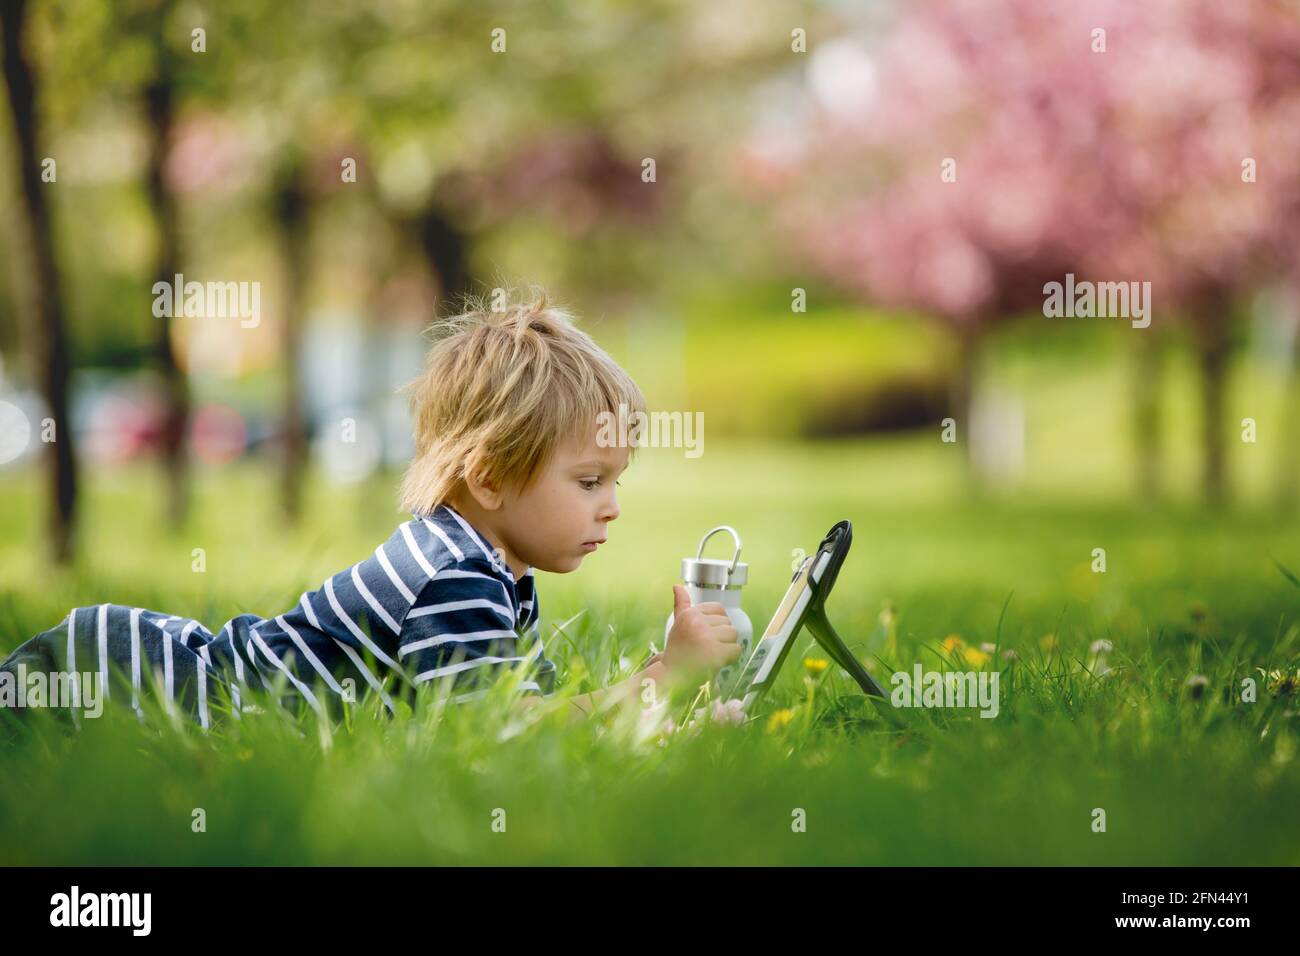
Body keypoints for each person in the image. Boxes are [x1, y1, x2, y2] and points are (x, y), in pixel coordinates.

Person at [0, 286, 741, 733]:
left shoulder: (493, 571)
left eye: (616, 482)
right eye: (588, 482)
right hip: (131, 677)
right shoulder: (454, 578)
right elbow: (501, 735)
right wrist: (661, 679)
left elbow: (548, 719)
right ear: (488, 477)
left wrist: (664, 711)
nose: (611, 508)